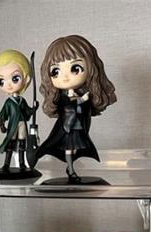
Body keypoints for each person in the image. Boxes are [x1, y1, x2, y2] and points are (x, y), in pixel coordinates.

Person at [34, 35, 116, 182]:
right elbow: (68, 107)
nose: (65, 77)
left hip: (77, 127)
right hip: (67, 128)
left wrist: (83, 101)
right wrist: (81, 100)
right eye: (56, 71)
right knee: (68, 149)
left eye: (75, 68)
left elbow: (83, 110)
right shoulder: (62, 97)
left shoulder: (81, 94)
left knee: (76, 148)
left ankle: (71, 167)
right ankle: (71, 169)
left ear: (90, 68)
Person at [0, 50, 37, 172]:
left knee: (22, 143)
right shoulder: (9, 102)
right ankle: (6, 164)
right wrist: (2, 124)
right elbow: (4, 114)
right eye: (2, 81)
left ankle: (22, 163)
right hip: (13, 125)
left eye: (15, 78)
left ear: (26, 79)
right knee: (11, 144)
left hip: (22, 123)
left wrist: (34, 108)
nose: (8, 85)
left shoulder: (22, 101)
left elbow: (27, 111)